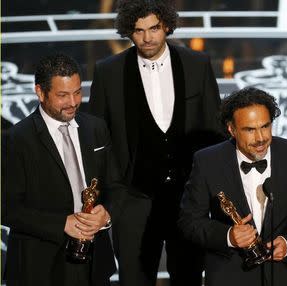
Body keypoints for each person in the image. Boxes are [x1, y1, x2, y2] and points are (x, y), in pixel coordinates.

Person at [89, 0, 223, 285]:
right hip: (133, 200)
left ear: (167, 26)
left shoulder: (197, 64)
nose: (147, 37)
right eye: (138, 30)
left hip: (187, 200)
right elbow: (97, 139)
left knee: (188, 277)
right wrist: (113, 196)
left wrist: (211, 194)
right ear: (128, 31)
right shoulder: (108, 71)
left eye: (154, 28)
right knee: (135, 279)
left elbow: (214, 131)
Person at [179, 87, 287, 286]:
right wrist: (228, 236)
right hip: (230, 276)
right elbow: (189, 221)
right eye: (250, 129)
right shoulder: (207, 161)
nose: (260, 138)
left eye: (265, 126)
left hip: (285, 275)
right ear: (231, 129)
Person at [3, 53, 125, 286]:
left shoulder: (96, 128)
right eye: (62, 95)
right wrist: (62, 224)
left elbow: (115, 186)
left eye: (77, 92)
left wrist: (106, 214)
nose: (73, 102)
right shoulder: (16, 139)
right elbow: (7, 207)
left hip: (94, 264)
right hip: (40, 268)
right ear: (40, 92)